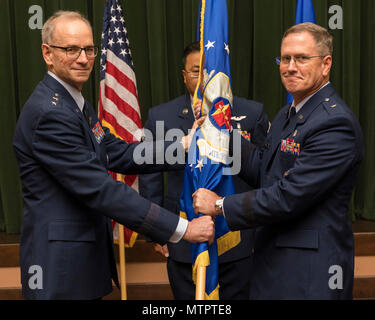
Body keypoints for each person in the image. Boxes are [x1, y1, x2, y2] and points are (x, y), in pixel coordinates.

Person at [12, 11, 214, 300]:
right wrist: (182, 229)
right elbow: (102, 189)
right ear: (47, 53)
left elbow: (116, 152)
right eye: (71, 49)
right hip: (59, 270)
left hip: (81, 261)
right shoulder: (51, 113)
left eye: (89, 49)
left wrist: (182, 145)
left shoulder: (74, 101)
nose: (83, 58)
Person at [192, 23, 365, 299]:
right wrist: (221, 134)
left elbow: (288, 196)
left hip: (310, 275)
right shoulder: (289, 112)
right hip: (273, 265)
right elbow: (264, 169)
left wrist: (219, 205)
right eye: (285, 59)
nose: (290, 67)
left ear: (326, 64)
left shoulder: (335, 124)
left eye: (301, 58)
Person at [139, 41, 269, 299]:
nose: (204, 79)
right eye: (196, 71)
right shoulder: (161, 116)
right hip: (183, 239)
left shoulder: (252, 113)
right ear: (184, 75)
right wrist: (155, 231)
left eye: (210, 71)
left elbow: (265, 174)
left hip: (237, 239)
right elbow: (150, 176)